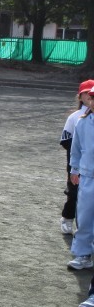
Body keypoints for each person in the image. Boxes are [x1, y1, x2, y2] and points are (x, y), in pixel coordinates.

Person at [59, 80, 94, 235]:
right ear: (80, 96)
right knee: (74, 193)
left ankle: (84, 228)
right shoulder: (75, 117)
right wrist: (80, 152)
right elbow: (66, 140)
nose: (89, 97)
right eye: (86, 93)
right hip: (78, 163)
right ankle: (67, 218)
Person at [67, 86, 94, 271]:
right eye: (92, 97)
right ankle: (83, 254)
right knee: (84, 218)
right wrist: (74, 169)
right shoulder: (82, 122)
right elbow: (75, 148)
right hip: (88, 176)